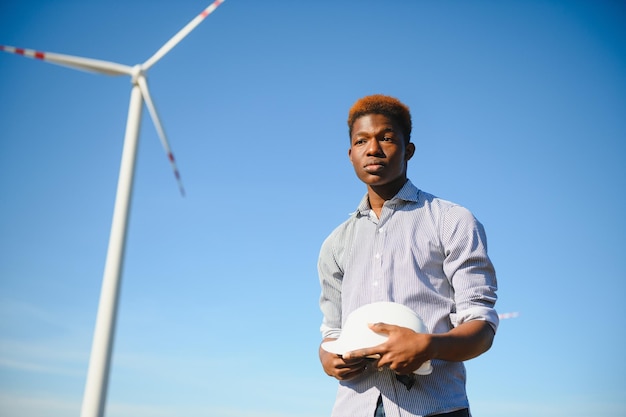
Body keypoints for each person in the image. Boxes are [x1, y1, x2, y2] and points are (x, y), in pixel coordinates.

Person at [317, 94, 499, 417]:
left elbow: (481, 327)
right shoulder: (335, 244)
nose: (373, 149)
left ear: (408, 150)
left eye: (386, 138)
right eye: (361, 141)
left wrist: (427, 346)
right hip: (353, 408)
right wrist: (329, 358)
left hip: (435, 408)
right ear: (350, 154)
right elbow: (331, 332)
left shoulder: (451, 220)